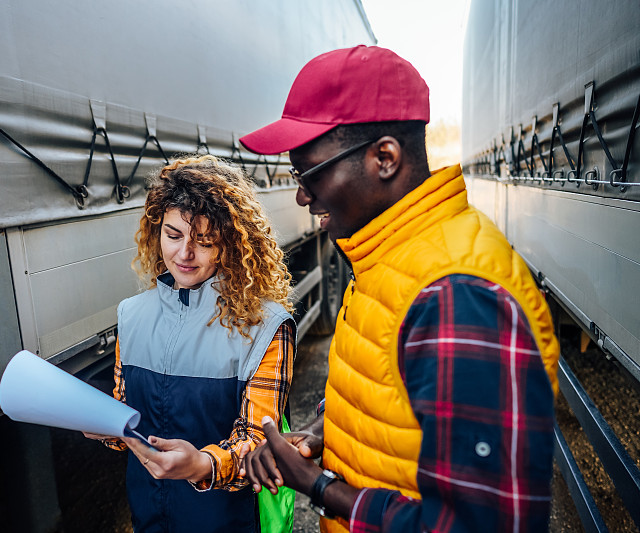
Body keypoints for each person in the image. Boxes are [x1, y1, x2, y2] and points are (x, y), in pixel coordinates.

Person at [238, 46, 560, 532]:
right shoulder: (387, 257)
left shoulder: (457, 296)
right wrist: (318, 433)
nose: (302, 195)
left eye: (309, 174)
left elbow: (485, 525)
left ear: (384, 158)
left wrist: (322, 487)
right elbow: (393, 400)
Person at [85, 154, 297, 533]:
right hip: (149, 517)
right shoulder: (131, 315)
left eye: (203, 240)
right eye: (173, 235)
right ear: (156, 231)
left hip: (229, 523)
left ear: (231, 242)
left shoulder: (266, 325)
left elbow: (261, 445)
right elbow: (127, 415)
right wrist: (105, 424)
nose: (184, 254)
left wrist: (202, 464)